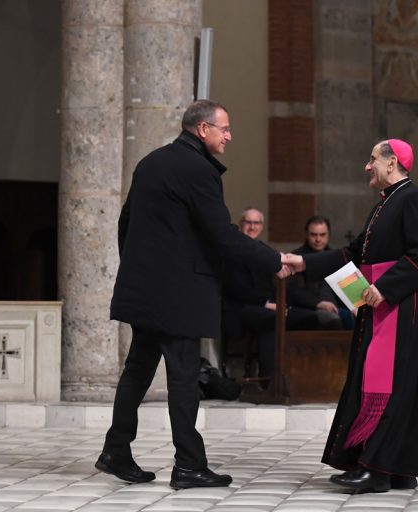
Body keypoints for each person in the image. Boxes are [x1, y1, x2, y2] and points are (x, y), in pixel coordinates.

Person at [96, 100, 290, 490]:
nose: (230, 136)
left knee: (137, 370)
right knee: (185, 377)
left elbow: (126, 222)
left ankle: (116, 451)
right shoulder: (199, 170)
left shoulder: (151, 162)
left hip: (148, 288)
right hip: (179, 291)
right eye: (225, 129)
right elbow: (222, 234)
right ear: (202, 130)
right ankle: (188, 464)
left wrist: (139, 269)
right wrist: (274, 259)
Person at [284, 139, 418, 492]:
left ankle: (377, 469)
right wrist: (303, 262)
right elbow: (353, 254)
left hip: (399, 306)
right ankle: (394, 468)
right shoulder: (384, 205)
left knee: (391, 386)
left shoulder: (413, 197)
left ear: (392, 163)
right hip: (378, 306)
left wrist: (386, 287)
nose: (367, 167)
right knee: (377, 382)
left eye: (372, 160)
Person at [221, 208, 320, 381]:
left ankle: (303, 377)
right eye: (248, 222)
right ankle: (270, 380)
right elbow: (235, 288)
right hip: (239, 308)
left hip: (271, 305)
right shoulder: (231, 251)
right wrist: (268, 304)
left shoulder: (264, 251)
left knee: (312, 318)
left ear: (262, 226)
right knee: (272, 319)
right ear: (240, 224)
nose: (252, 227)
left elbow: (286, 286)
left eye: (256, 223)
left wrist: (315, 304)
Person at [290, 215, 353, 329]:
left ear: (328, 235)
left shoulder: (337, 258)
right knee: (333, 320)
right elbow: (292, 291)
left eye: (322, 235)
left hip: (338, 308)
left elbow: (351, 288)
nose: (318, 239)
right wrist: (317, 303)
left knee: (361, 319)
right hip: (308, 309)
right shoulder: (295, 258)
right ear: (306, 234)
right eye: (314, 235)